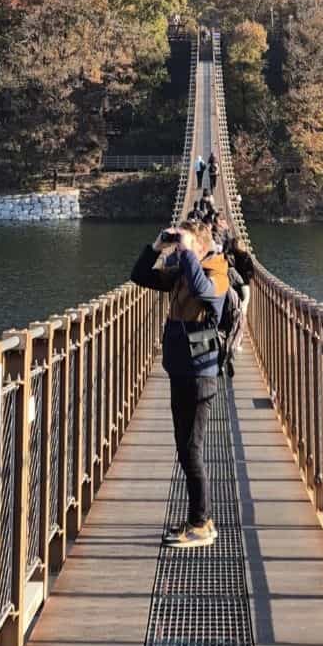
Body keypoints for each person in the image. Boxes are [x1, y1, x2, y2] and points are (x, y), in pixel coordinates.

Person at [130, 222, 228, 549]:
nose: (178, 250)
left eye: (184, 244)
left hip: (200, 373)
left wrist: (186, 251)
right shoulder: (182, 272)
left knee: (192, 451)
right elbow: (140, 276)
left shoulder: (217, 273)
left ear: (201, 247)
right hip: (180, 369)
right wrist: (158, 246)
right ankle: (198, 519)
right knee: (185, 449)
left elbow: (204, 294)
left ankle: (201, 524)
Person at [226, 236, 255, 323]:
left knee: (234, 302)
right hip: (244, 283)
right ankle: (241, 320)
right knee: (245, 301)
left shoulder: (230, 255)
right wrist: (248, 276)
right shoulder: (245, 255)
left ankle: (234, 319)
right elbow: (251, 270)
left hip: (232, 283)